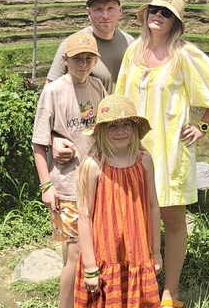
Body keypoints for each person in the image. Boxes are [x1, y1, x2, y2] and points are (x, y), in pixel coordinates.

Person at [115, 0, 209, 308]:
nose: (157, 16)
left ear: (175, 23)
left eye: (165, 13)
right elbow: (118, 100)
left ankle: (170, 291)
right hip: (133, 151)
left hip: (170, 153)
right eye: (153, 10)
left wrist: (202, 127)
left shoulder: (185, 56)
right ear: (145, 15)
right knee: (135, 218)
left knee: (173, 221)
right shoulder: (132, 53)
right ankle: (140, 285)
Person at [32, 33, 108, 308]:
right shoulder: (53, 92)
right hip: (66, 187)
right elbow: (38, 143)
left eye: (89, 58)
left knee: (81, 249)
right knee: (76, 254)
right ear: (65, 59)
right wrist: (46, 186)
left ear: (96, 60)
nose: (82, 63)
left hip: (97, 182)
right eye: (76, 58)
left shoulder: (98, 87)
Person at [74, 95, 162, 308]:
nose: (120, 131)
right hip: (105, 254)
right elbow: (84, 217)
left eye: (125, 125)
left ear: (134, 128)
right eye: (111, 126)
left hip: (138, 251)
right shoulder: (94, 165)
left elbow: (152, 206)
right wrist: (90, 266)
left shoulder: (145, 160)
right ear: (101, 131)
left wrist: (156, 251)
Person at [47, 0, 134, 95]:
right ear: (89, 13)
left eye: (110, 8)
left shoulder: (129, 43)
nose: (105, 15)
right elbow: (50, 89)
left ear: (120, 11)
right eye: (98, 9)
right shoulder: (72, 44)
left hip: (120, 110)